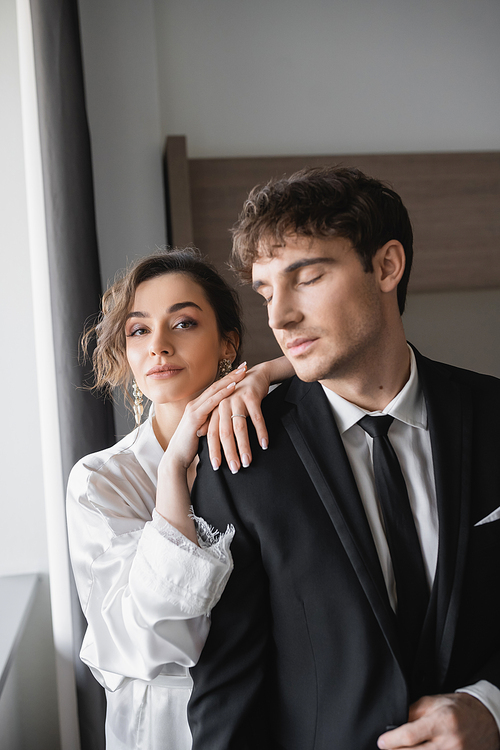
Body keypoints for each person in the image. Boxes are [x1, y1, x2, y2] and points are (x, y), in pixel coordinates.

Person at [188, 166, 500, 750]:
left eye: (305, 278)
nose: (278, 316)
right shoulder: (242, 452)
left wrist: (493, 707)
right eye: (265, 291)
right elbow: (227, 693)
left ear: (386, 266)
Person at [66, 249, 291, 750]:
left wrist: (269, 372)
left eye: (184, 323)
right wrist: (172, 471)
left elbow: (335, 362)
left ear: (227, 343)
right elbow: (159, 639)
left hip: (273, 710)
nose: (159, 346)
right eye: (139, 330)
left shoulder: (271, 448)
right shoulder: (101, 480)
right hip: (164, 727)